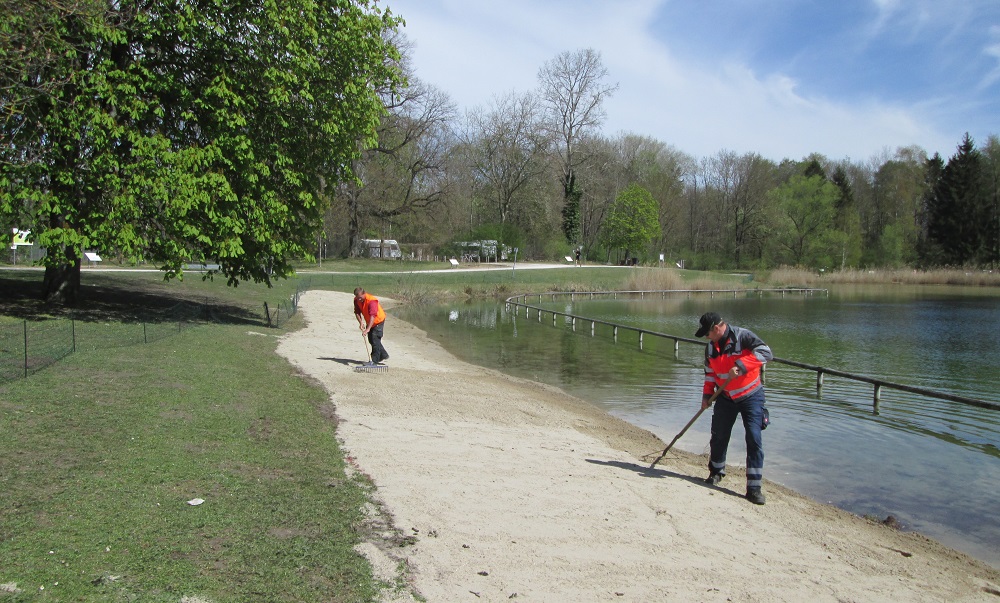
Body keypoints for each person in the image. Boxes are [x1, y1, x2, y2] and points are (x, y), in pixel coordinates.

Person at [695, 312, 772, 505]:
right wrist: (706, 396)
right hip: (725, 397)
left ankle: (754, 488)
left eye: (707, 333)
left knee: (754, 438)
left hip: (751, 396)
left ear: (716, 328)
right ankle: (716, 472)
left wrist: (741, 365)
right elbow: (710, 374)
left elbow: (766, 353)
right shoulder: (710, 348)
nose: (706, 337)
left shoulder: (743, 336)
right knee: (719, 435)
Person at [354, 287, 389, 366]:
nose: (359, 299)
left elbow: (373, 316)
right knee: (371, 339)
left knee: (374, 339)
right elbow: (357, 312)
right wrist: (361, 323)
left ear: (364, 294)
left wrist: (368, 329)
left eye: (360, 297)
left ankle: (374, 361)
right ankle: (384, 355)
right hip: (369, 320)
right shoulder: (356, 300)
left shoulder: (371, 301)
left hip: (378, 320)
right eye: (357, 297)